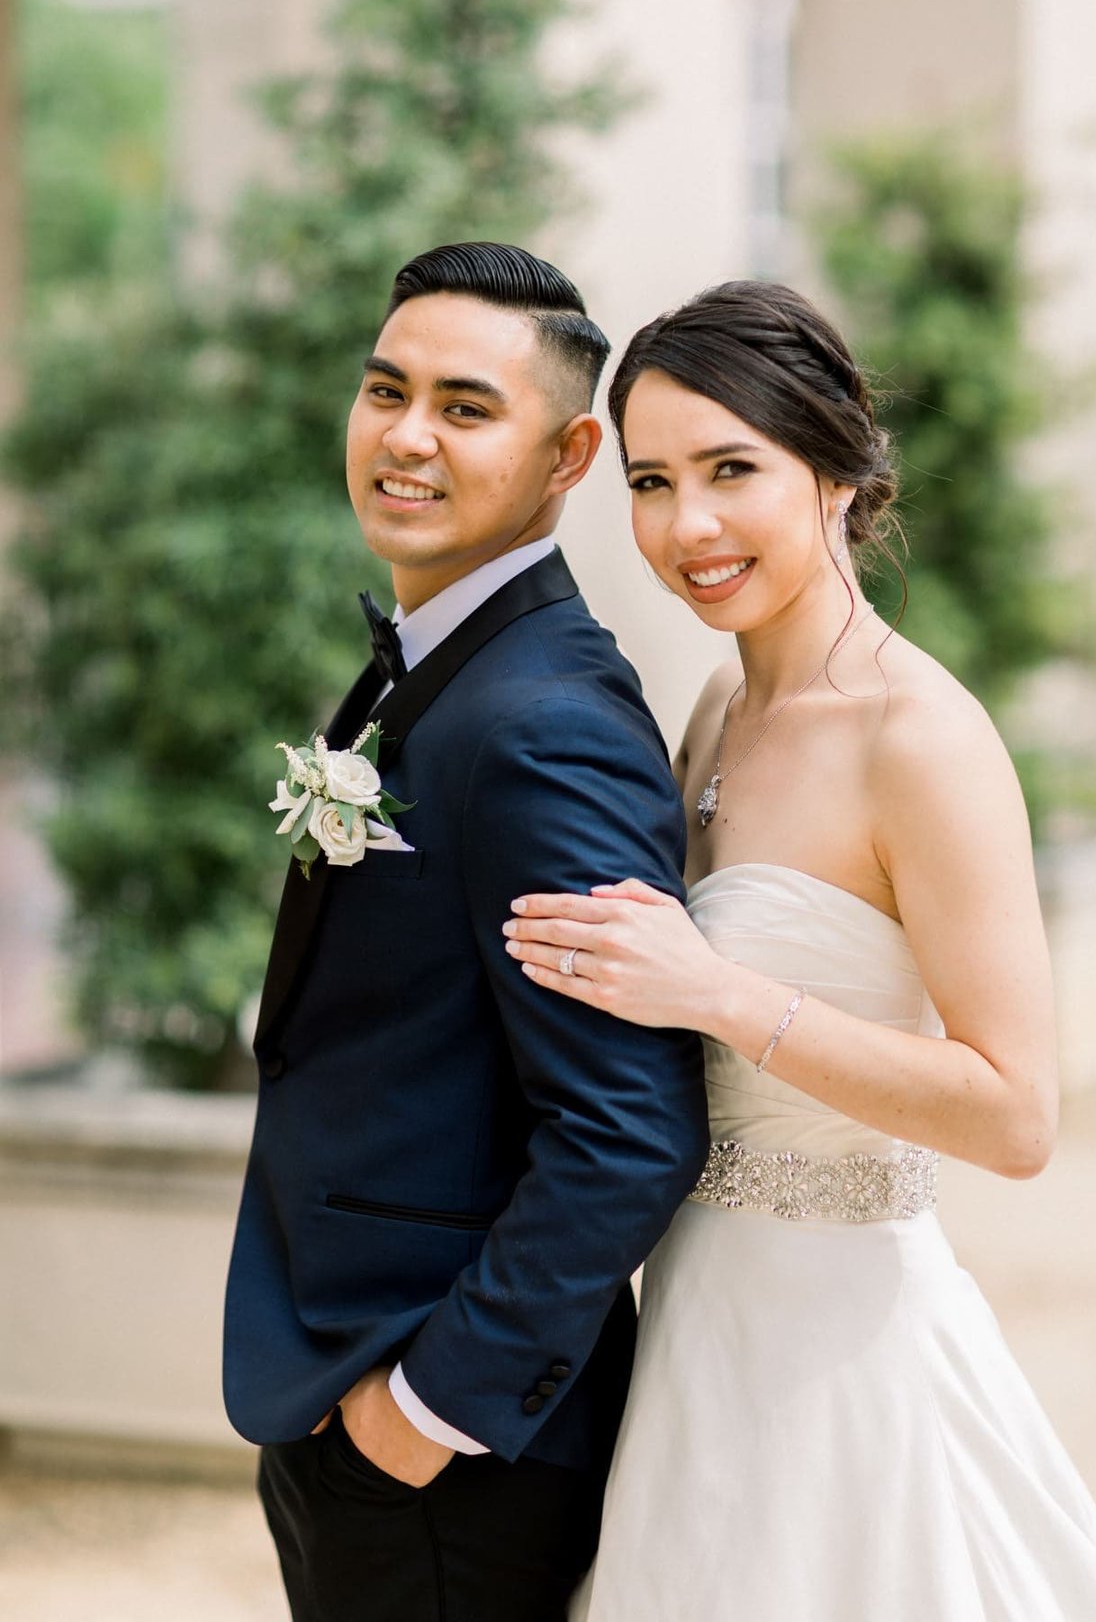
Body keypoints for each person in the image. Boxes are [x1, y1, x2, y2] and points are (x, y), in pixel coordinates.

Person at [504, 280, 1096, 1621]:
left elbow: (1018, 1115)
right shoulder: (719, 704)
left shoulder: (920, 738)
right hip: (693, 1322)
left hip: (846, 1350)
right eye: (652, 480)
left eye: (732, 468)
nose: (689, 525)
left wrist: (725, 995)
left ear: (840, 466)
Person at [222, 242, 710, 1622]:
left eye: (466, 406)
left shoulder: (549, 723)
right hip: (338, 1385)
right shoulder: (447, 662)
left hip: (451, 1447)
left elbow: (631, 1128)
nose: (407, 435)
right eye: (388, 390)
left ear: (568, 459)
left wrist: (424, 1413)